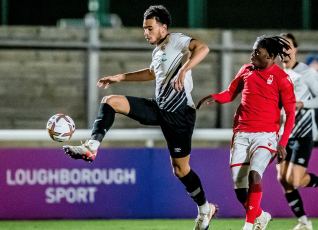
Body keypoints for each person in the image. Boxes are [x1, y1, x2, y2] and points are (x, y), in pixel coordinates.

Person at [62, 5, 216, 230]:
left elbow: (203, 48)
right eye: (144, 28)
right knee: (110, 101)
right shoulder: (158, 50)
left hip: (180, 114)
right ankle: (91, 146)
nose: (146, 33)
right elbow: (153, 72)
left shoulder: (176, 40)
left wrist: (184, 70)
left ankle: (205, 209)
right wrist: (120, 77)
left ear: (164, 27)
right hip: (159, 109)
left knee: (180, 170)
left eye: (150, 28)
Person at [198, 35, 296, 230]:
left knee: (255, 175)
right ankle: (261, 216)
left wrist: (283, 142)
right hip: (241, 135)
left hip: (266, 136)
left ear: (270, 56)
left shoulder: (282, 78)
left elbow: (291, 113)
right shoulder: (246, 70)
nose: (252, 55)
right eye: (253, 50)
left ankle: (248, 226)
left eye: (257, 52)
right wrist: (215, 97)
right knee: (240, 191)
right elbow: (230, 93)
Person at [278, 33, 318, 230]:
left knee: (295, 179)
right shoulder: (274, 74)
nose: (284, 51)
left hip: (303, 132)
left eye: (288, 46)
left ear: (295, 49)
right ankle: (304, 223)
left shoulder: (307, 73)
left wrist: (303, 103)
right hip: (283, 134)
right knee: (283, 179)